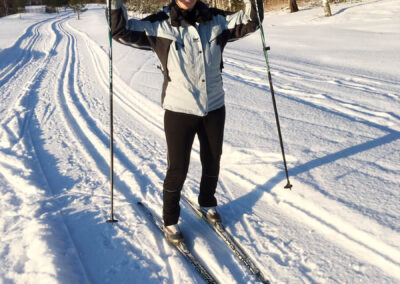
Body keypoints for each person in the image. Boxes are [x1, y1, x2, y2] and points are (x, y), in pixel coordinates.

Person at [107, 0, 263, 244]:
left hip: (214, 107)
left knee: (212, 159)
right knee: (177, 168)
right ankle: (170, 220)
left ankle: (207, 202)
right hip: (179, 109)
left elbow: (252, 21)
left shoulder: (217, 20)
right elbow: (120, 32)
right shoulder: (159, 25)